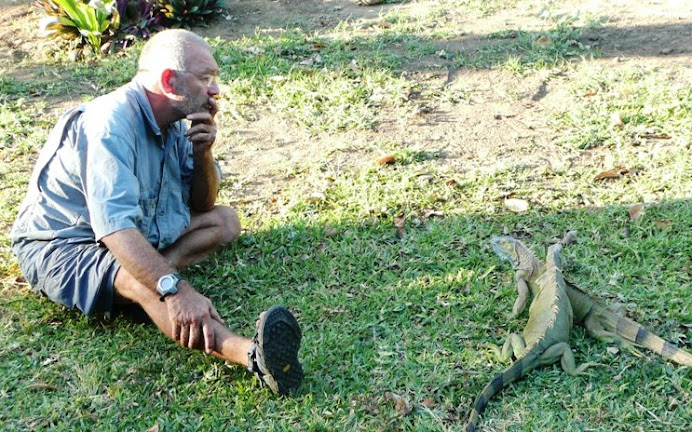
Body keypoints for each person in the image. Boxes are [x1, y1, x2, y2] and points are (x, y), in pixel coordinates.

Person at [10, 29, 303, 396]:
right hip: (65, 247)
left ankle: (146, 279)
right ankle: (252, 356)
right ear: (169, 81)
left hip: (134, 229)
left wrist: (203, 154)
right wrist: (173, 290)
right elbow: (115, 229)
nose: (216, 90)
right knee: (145, 281)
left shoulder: (177, 123)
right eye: (205, 77)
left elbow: (203, 206)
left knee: (224, 221)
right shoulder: (109, 124)